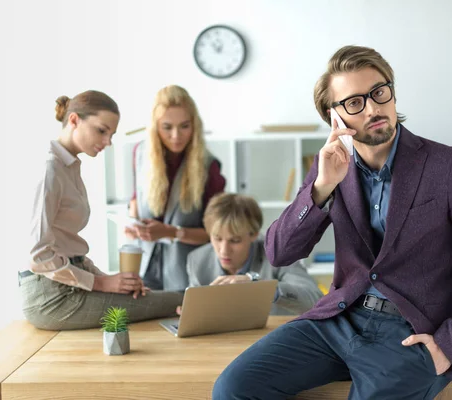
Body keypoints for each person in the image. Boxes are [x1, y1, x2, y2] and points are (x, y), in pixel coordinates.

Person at [212, 46, 452, 399]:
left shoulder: (447, 166)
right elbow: (279, 252)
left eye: (378, 92)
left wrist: (448, 347)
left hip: (409, 334)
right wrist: (322, 187)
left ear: (392, 92)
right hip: (338, 319)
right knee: (233, 388)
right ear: (335, 117)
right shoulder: (329, 166)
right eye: (354, 102)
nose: (373, 108)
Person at [22, 90, 183, 331]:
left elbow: (67, 247)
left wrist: (115, 283)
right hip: (51, 297)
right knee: (178, 300)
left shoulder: (69, 167)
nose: (108, 141)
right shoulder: (50, 171)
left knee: (161, 299)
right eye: (101, 130)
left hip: (68, 284)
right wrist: (100, 282)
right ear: (74, 120)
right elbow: (38, 256)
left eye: (112, 134)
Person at [126, 85, 226, 292]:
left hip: (188, 275)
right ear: (155, 127)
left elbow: (217, 232)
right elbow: (136, 201)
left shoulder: (209, 166)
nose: (176, 135)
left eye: (184, 126)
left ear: (195, 125)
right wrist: (133, 225)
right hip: (144, 269)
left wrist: (173, 232)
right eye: (167, 127)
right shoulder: (140, 154)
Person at [185, 193, 323, 315]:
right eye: (217, 238)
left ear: (254, 234)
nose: (224, 250)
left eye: (235, 240)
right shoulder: (197, 260)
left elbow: (315, 300)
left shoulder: (280, 254)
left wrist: (264, 289)